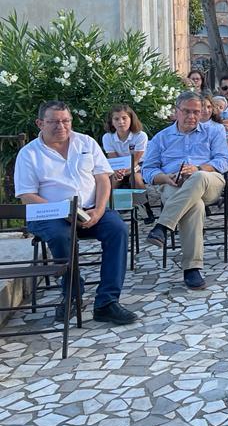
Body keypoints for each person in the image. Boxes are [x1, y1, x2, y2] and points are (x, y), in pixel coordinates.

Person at [15, 100, 137, 325]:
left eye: (66, 121)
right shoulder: (29, 153)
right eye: (54, 122)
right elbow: (27, 195)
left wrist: (99, 209)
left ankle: (107, 302)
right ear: (40, 123)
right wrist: (63, 211)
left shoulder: (85, 142)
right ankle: (72, 294)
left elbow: (103, 179)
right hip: (49, 214)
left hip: (89, 209)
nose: (61, 126)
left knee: (117, 228)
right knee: (61, 235)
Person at [142, 91, 228, 290]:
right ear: (176, 111)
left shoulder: (214, 131)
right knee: (195, 206)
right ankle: (192, 268)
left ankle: (163, 226)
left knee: (198, 177)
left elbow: (224, 161)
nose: (192, 116)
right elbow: (147, 170)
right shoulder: (161, 138)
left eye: (196, 112)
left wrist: (198, 168)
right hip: (173, 184)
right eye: (186, 111)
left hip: (209, 180)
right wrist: (166, 177)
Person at [101, 104, 148, 190]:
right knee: (113, 180)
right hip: (118, 167)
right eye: (116, 119)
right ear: (111, 122)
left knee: (136, 179)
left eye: (124, 118)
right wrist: (119, 172)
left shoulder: (141, 136)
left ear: (131, 119)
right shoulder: (107, 137)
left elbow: (135, 160)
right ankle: (110, 198)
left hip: (139, 166)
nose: (121, 122)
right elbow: (114, 159)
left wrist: (126, 171)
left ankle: (143, 199)